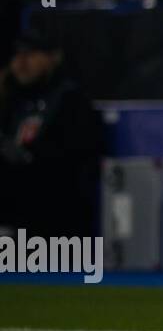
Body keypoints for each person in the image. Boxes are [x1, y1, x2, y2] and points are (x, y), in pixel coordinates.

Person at [0, 25, 102, 239]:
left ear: (53, 57)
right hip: (18, 213)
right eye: (17, 56)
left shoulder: (72, 101)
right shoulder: (16, 101)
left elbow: (75, 164)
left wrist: (26, 156)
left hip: (57, 221)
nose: (20, 63)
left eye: (29, 55)